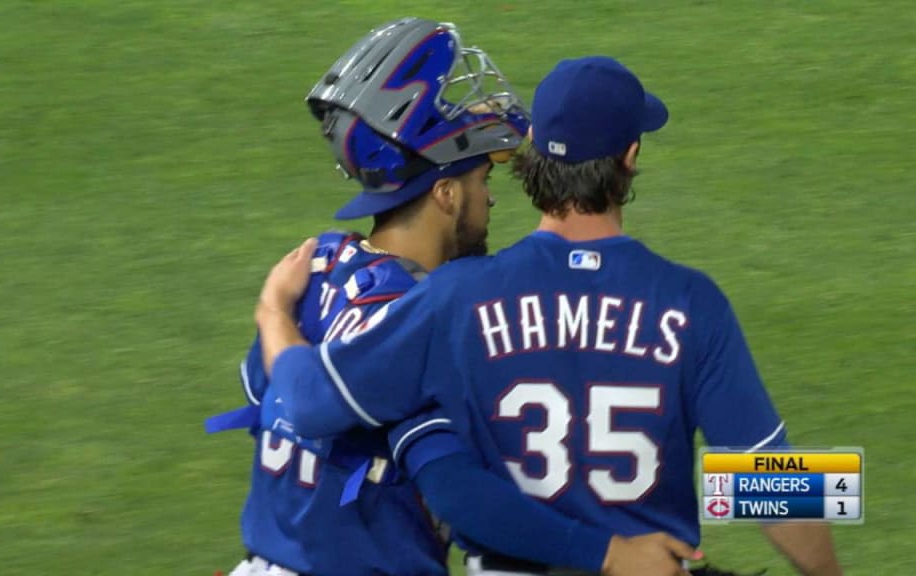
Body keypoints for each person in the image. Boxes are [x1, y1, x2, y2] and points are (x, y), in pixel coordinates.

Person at [253, 56, 845, 576]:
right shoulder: (691, 302)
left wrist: (275, 310)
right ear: (630, 159)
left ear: (534, 155)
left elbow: (308, 403)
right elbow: (759, 476)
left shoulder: (456, 297)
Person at [212, 21, 693, 576]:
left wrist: (272, 312)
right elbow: (455, 491)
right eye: (481, 179)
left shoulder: (315, 267)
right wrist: (610, 555)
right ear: (444, 194)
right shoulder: (434, 316)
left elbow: (265, 394)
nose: (489, 199)